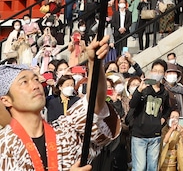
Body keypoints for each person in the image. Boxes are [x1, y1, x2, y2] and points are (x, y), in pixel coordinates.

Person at [0, 34, 119, 170]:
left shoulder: (65, 131)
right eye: (24, 82)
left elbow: (94, 105)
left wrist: (94, 64)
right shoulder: (5, 146)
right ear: (6, 100)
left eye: (36, 79)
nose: (35, 85)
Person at [130, 60, 176, 171]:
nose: (157, 73)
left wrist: (163, 120)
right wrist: (139, 90)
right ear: (151, 71)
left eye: (160, 71)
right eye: (155, 70)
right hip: (139, 135)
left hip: (155, 135)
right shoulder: (144, 88)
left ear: (164, 74)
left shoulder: (164, 92)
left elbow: (168, 108)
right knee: (140, 167)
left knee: (152, 167)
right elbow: (132, 104)